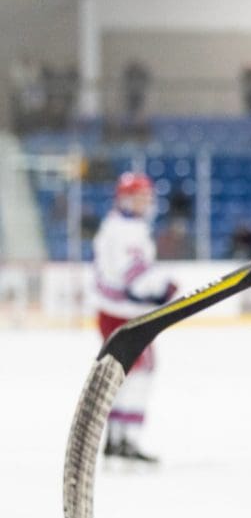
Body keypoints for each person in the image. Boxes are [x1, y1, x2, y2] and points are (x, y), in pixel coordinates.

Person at [92, 172, 177, 463]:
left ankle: (116, 438)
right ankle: (125, 440)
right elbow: (135, 277)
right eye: (140, 196)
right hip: (123, 316)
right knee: (138, 375)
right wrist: (162, 289)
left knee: (124, 376)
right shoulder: (126, 231)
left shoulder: (118, 226)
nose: (146, 202)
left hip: (115, 313)